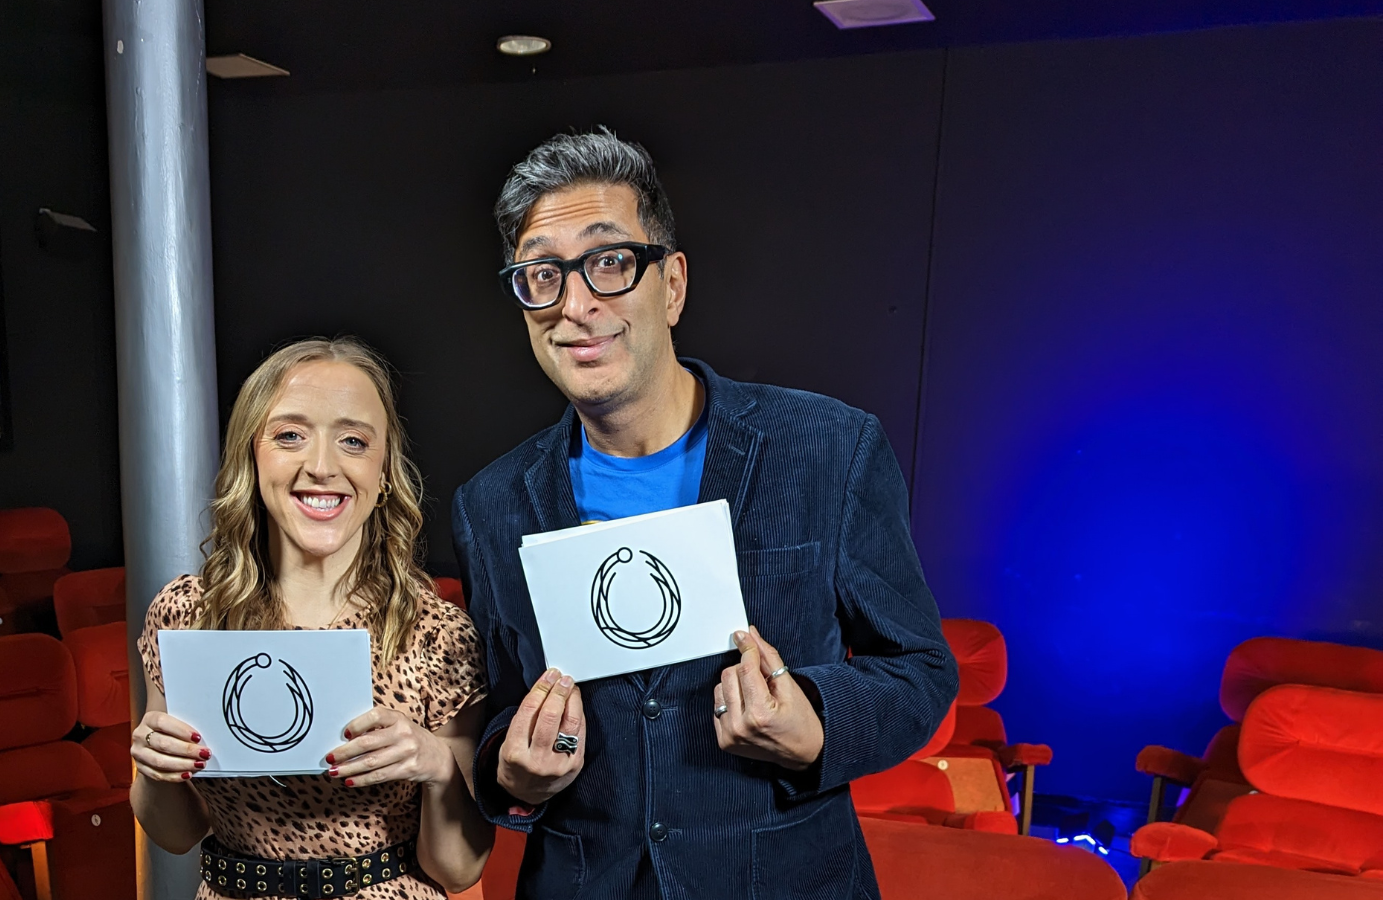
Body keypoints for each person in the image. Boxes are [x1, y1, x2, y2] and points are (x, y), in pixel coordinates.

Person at [451, 131, 959, 899]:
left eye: (611, 262)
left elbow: (921, 669)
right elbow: (498, 705)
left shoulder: (828, 446)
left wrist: (816, 723)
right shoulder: (491, 502)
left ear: (673, 284)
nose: (576, 305)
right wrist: (509, 769)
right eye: (542, 275)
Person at [131, 337, 492, 899]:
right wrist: (156, 769)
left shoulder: (438, 635)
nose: (321, 467)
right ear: (252, 457)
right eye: (290, 436)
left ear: (385, 472)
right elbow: (175, 835)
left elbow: (459, 870)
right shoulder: (189, 615)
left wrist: (437, 765)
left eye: (353, 441)